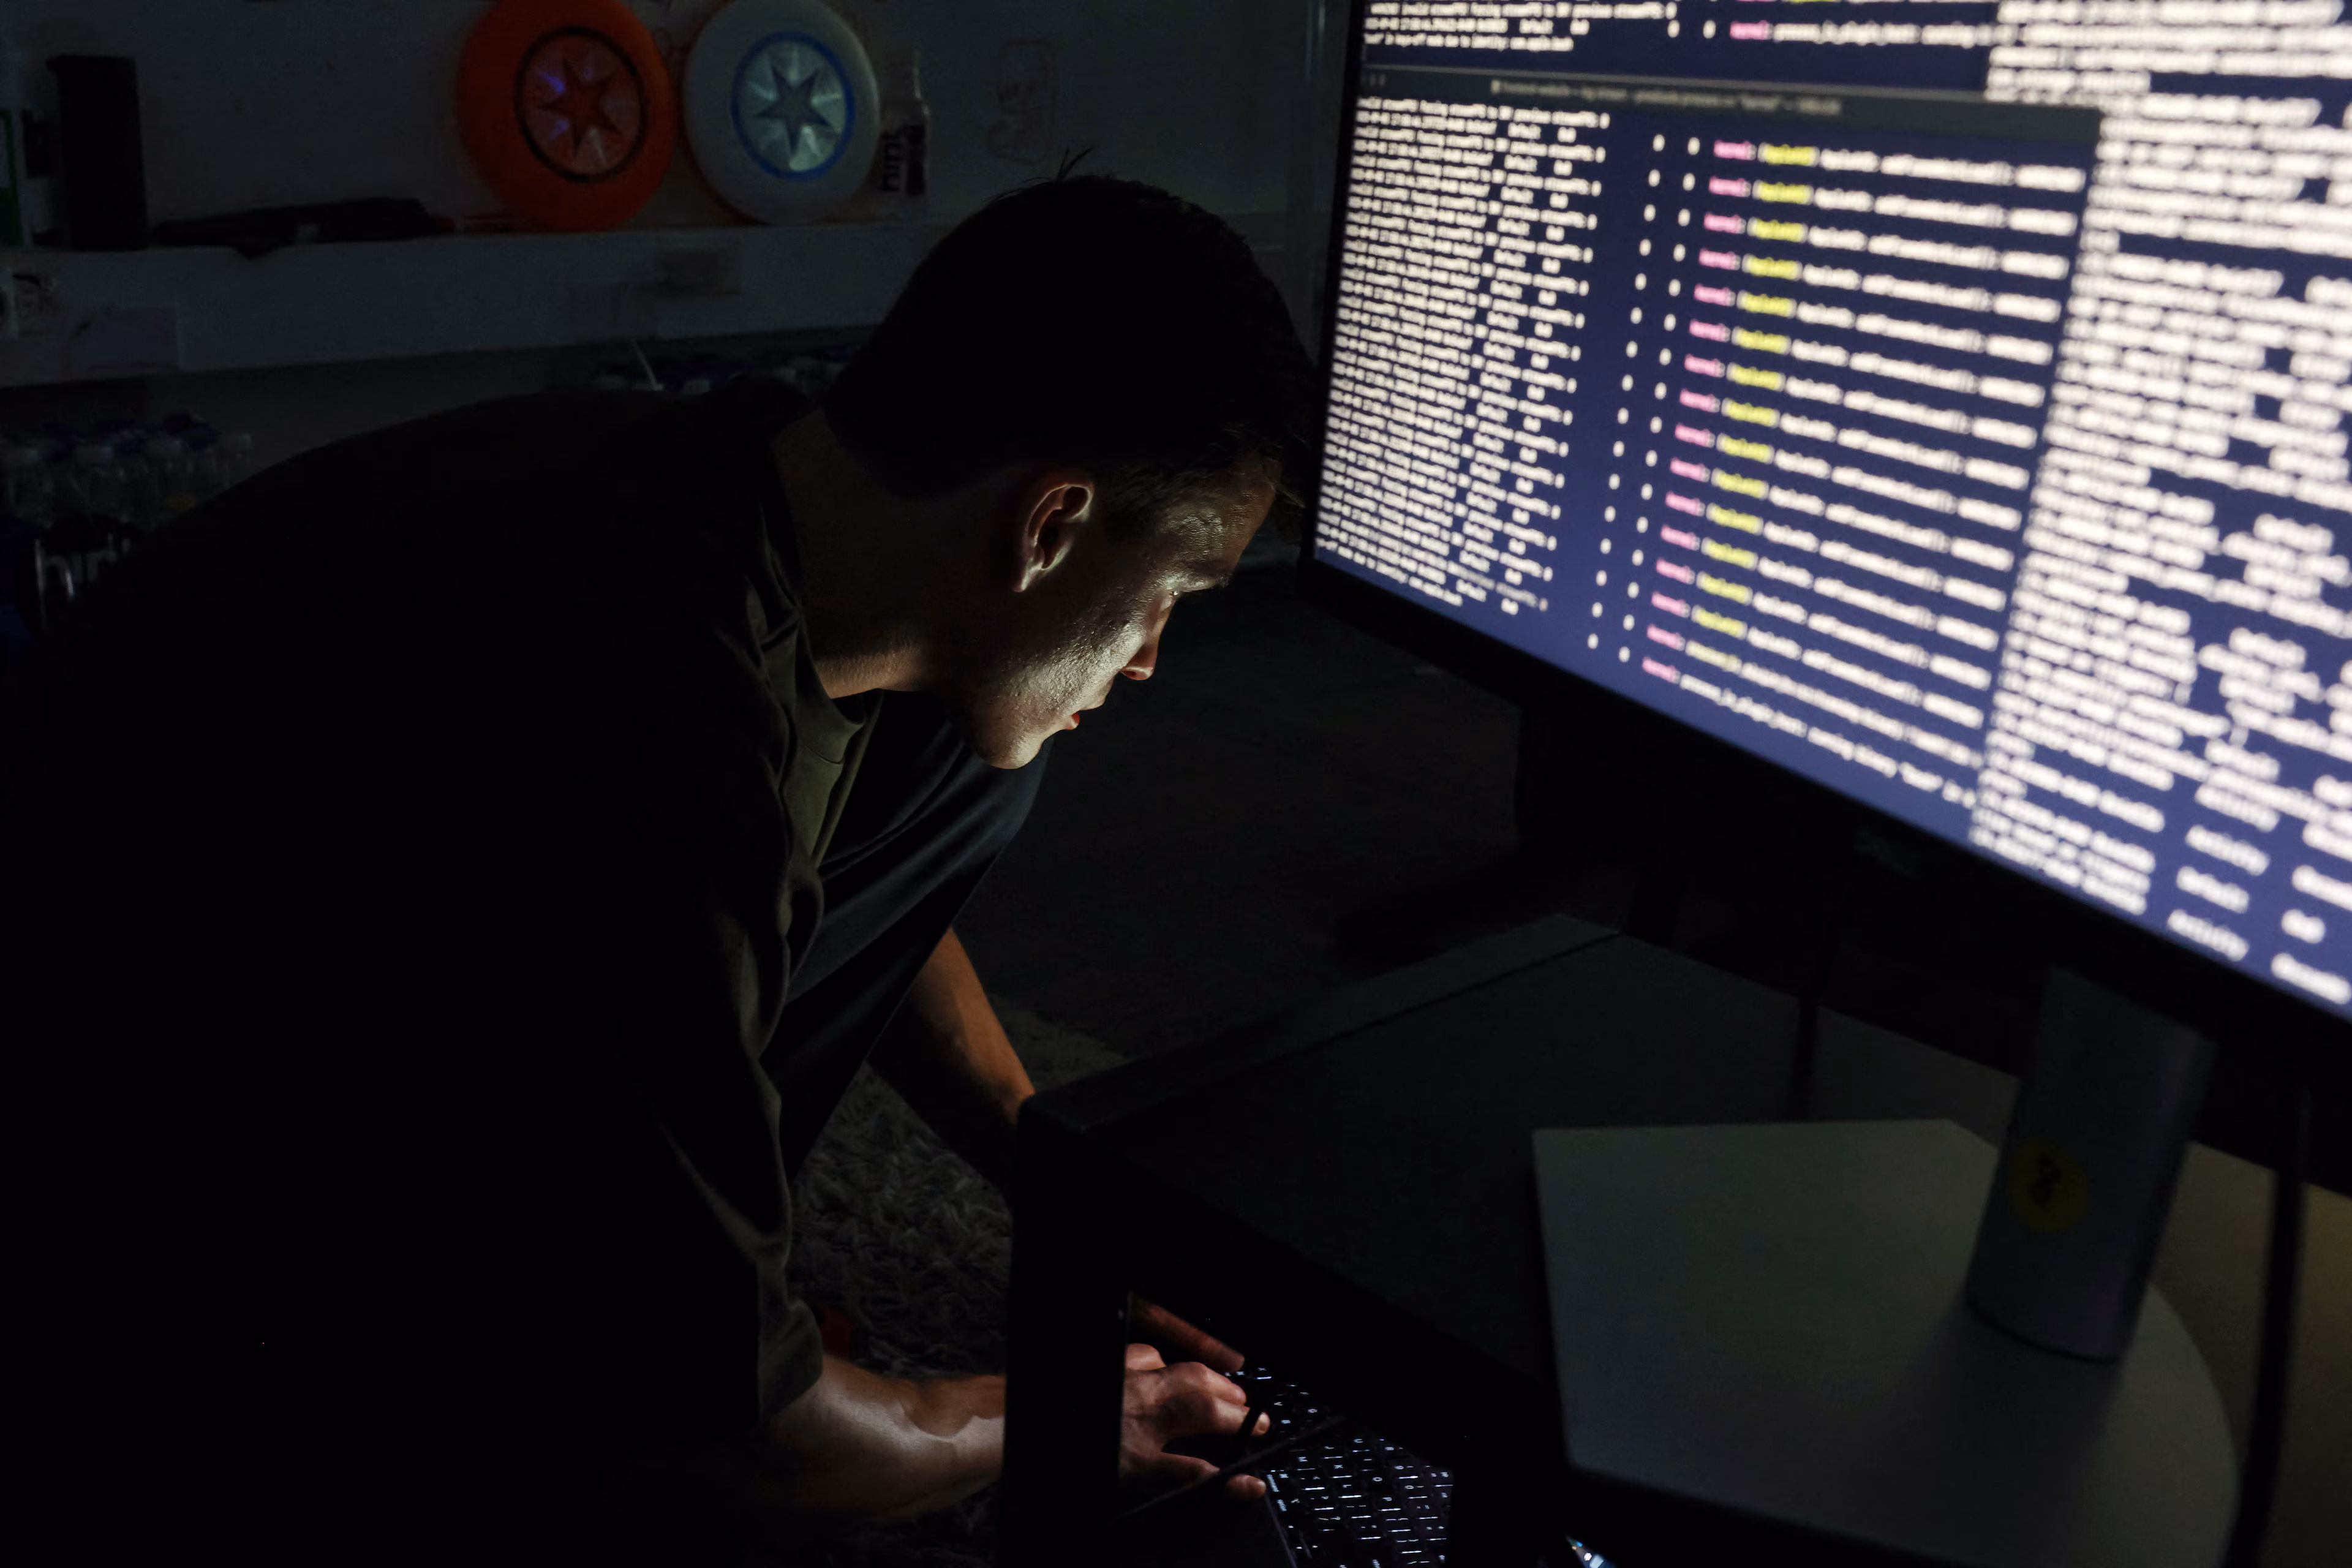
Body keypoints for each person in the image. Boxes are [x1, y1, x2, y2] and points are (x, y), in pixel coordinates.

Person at [1, 175, 1319, 1562]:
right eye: (1173, 593)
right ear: (1050, 523)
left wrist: (1055, 1172)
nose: (1158, 656)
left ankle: (657, 1259)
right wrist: (1061, 1416)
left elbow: (821, 862)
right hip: (117, 1279)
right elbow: (717, 1460)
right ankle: (642, 1307)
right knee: (687, 1468)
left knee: (977, 749)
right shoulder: (648, 742)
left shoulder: (731, 478)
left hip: (270, 975)